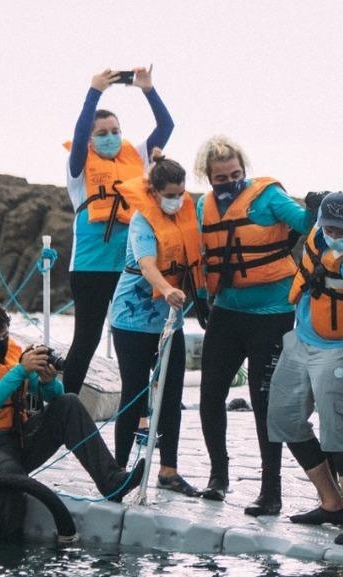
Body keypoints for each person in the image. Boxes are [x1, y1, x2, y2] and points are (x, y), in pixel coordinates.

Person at [192, 136, 317, 515]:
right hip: (227, 311)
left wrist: (313, 208)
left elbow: (307, 226)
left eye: (235, 174)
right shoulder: (204, 206)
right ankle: (218, 476)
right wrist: (200, 295)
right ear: (208, 177)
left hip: (273, 314)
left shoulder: (268, 196)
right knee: (211, 392)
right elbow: (200, 254)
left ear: (244, 170)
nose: (229, 181)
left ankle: (270, 491)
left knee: (265, 402)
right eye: (220, 177)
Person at [0, 301, 142, 536]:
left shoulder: (12, 358)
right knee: (10, 473)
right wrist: (19, 372)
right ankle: (8, 544)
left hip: (17, 439)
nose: (2, 343)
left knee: (68, 402)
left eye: (5, 336)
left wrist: (48, 382)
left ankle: (112, 481)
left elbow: (53, 396)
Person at [267, 192, 343, 545]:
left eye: (342, 228)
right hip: (303, 337)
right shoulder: (317, 234)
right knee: (283, 418)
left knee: (339, 427)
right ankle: (331, 501)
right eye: (329, 227)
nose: (334, 234)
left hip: (341, 348)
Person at [62, 66, 174, 395]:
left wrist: (148, 89)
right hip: (89, 266)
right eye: (102, 132)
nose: (109, 137)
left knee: (136, 338)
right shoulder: (78, 167)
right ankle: (66, 404)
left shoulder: (137, 156)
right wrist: (95, 91)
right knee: (87, 337)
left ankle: (147, 406)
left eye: (114, 131)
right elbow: (80, 134)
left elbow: (166, 126)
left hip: (130, 266)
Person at [108, 156, 200, 495]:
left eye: (181, 192)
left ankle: (169, 470)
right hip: (132, 319)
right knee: (134, 393)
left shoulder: (186, 214)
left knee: (172, 393)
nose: (177, 199)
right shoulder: (141, 221)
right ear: (155, 191)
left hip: (169, 321)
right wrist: (167, 289)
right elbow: (147, 266)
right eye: (171, 194)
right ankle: (117, 470)